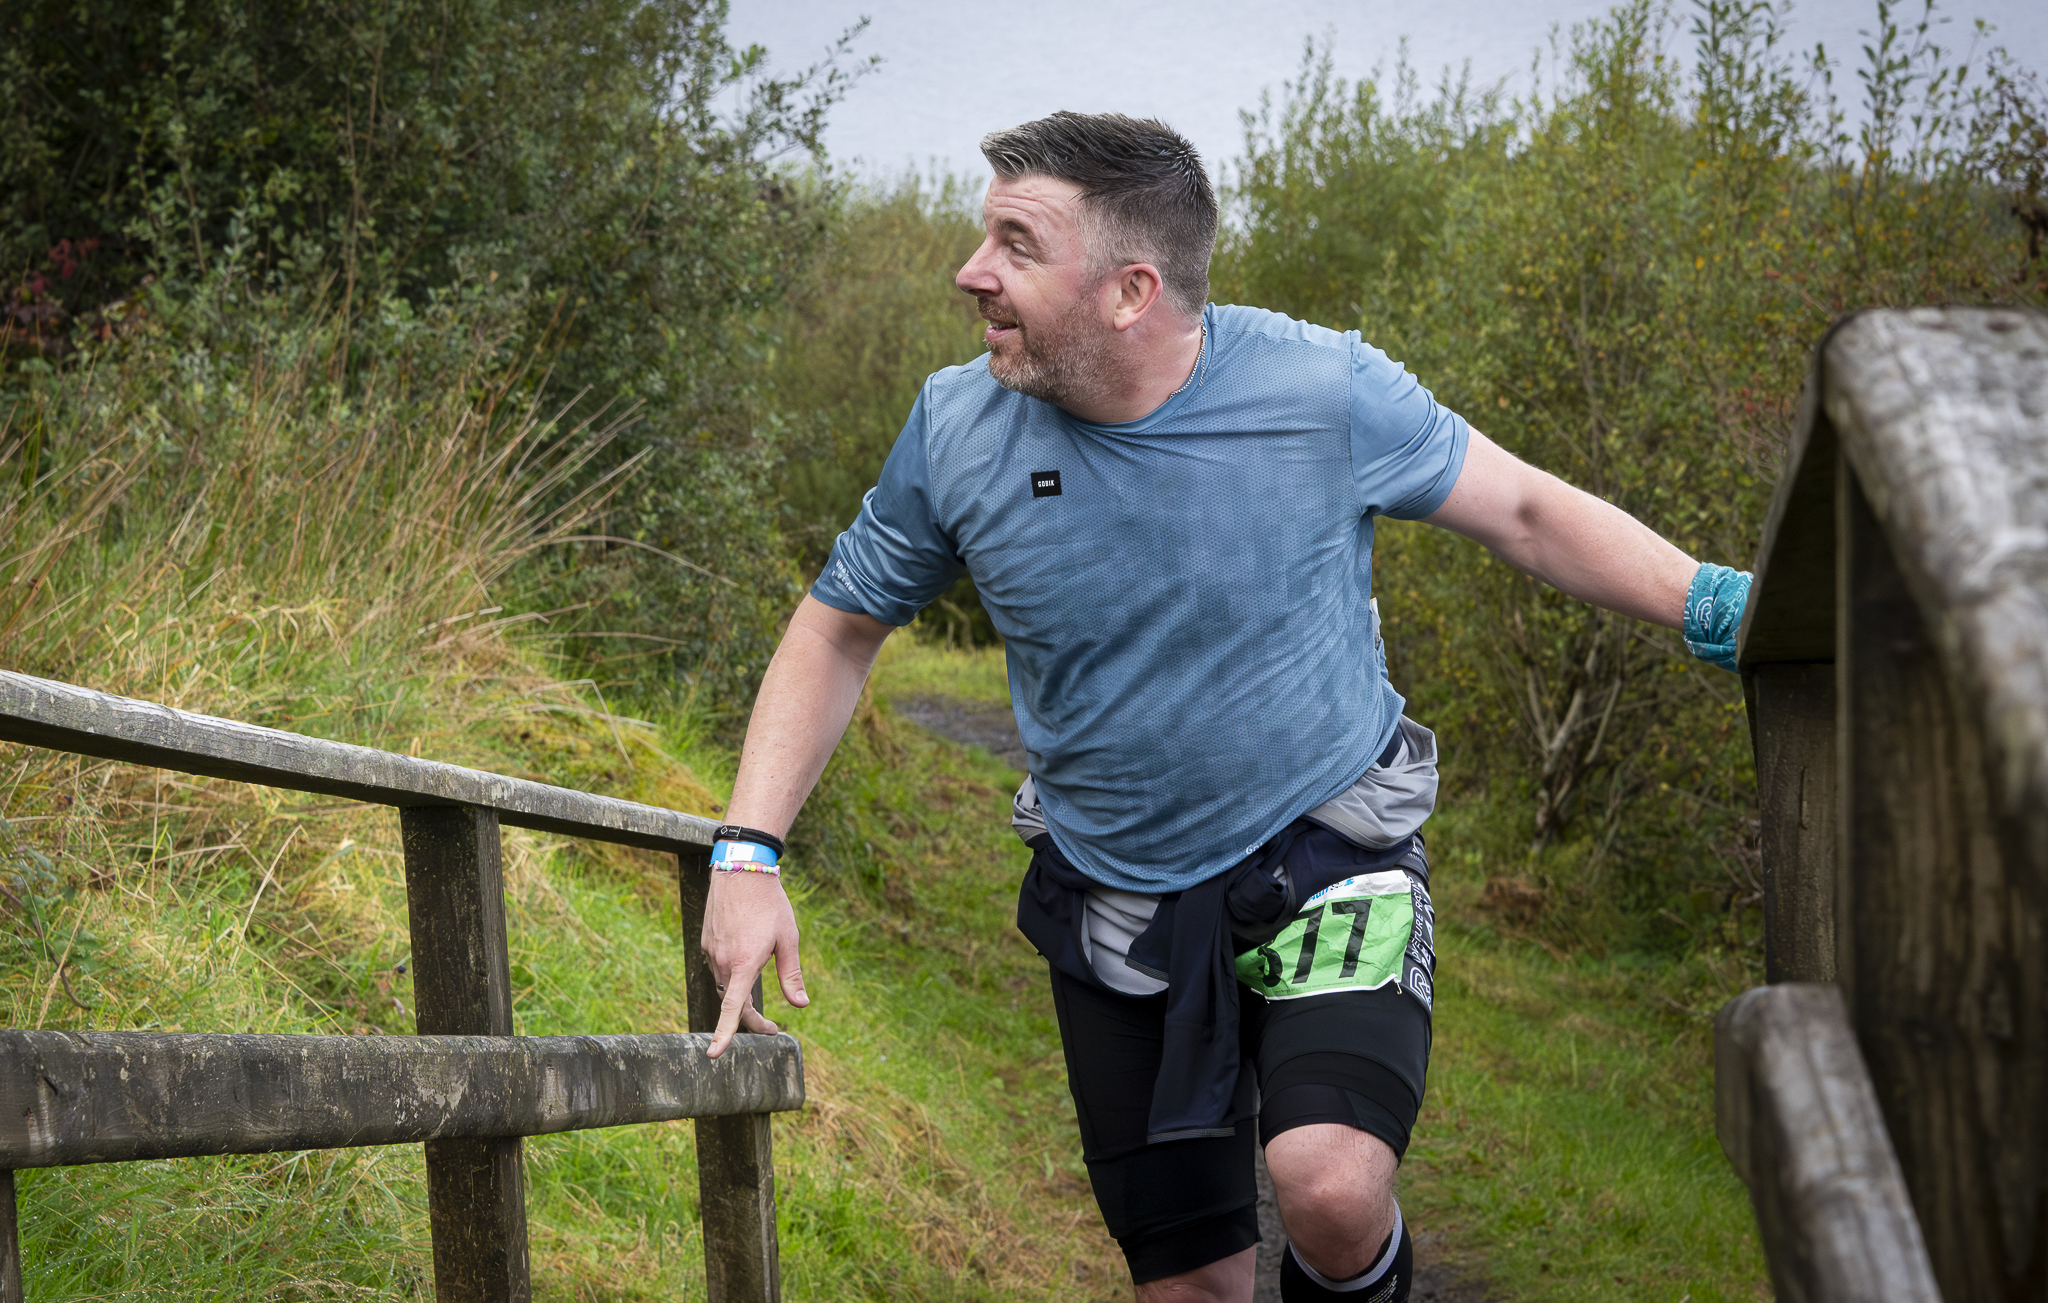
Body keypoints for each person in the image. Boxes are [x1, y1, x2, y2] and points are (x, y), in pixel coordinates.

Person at [697, 112, 1751, 1303]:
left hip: (1327, 851)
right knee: (1191, 1287)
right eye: (982, 235)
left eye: (1014, 244)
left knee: (1329, 1188)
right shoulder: (955, 429)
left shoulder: (1321, 389)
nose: (969, 271)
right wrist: (747, 850)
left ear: (1129, 291)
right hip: (1113, 897)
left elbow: (1523, 511)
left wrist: (1719, 608)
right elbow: (838, 626)